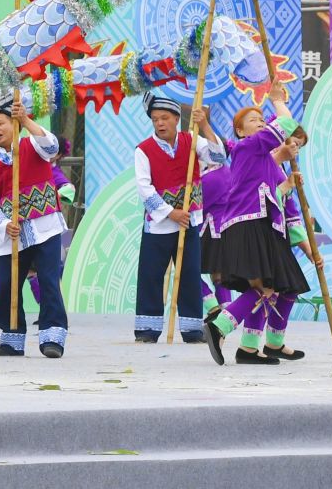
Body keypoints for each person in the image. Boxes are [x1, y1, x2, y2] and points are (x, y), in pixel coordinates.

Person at [202, 103, 310, 366]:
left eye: (262, 119)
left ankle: (249, 348)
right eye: (253, 120)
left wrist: (286, 179)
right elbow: (286, 124)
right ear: (240, 131)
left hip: (261, 226)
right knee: (266, 287)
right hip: (248, 224)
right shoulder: (245, 147)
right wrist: (278, 101)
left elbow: (276, 193)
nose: (260, 123)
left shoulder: (266, 161)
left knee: (268, 288)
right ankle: (220, 327)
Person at [0, 91, 68, 358]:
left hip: (45, 228)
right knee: (7, 284)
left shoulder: (33, 145)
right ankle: (11, 340)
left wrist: (27, 120)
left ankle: (53, 338)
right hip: (12, 236)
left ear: (13, 123)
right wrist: (5, 225)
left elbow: (52, 147)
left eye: (1, 123)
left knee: (49, 281)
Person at [133, 93, 225, 344]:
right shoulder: (144, 150)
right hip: (159, 224)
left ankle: (192, 329)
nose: (160, 123)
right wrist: (170, 212)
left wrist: (204, 125)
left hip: (189, 222)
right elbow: (144, 188)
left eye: (164, 118)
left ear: (176, 119)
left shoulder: (193, 140)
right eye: (155, 119)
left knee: (189, 275)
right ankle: (147, 330)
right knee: (151, 275)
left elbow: (219, 157)